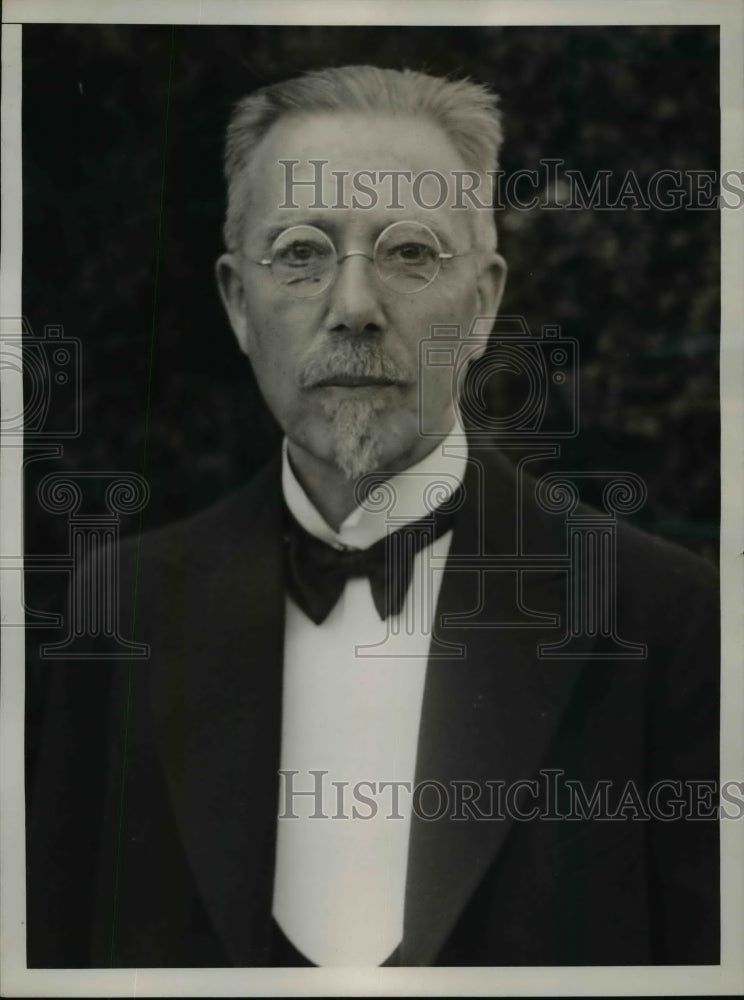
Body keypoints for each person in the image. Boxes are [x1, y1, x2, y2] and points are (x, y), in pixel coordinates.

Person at [27, 65, 719, 969]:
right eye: (303, 251)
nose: (353, 309)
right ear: (239, 302)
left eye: (409, 252)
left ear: (482, 306)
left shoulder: (663, 615)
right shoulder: (118, 606)